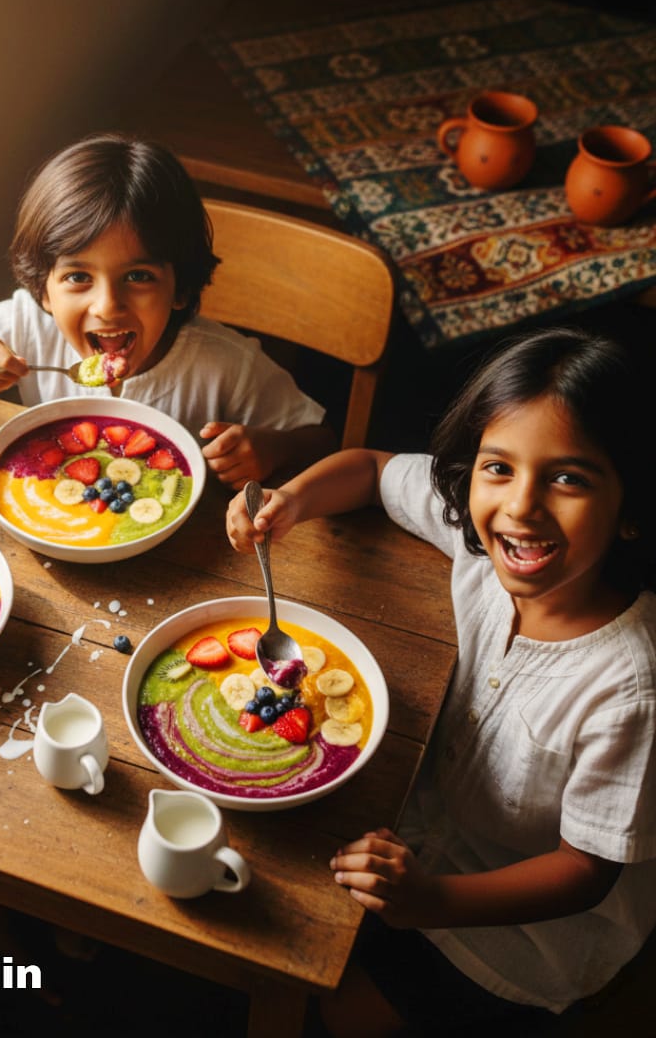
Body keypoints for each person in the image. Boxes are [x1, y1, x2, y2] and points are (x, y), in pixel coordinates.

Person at [225, 327, 656, 1035]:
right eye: (499, 467)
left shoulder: (631, 687)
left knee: (337, 1011)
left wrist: (431, 902)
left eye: (569, 478)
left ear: (632, 506)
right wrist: (290, 502)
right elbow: (370, 469)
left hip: (524, 934)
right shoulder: (478, 539)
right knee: (265, 925)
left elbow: (585, 872)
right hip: (418, 829)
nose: (521, 505)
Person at [0, 132, 334, 488]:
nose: (108, 306)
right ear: (44, 290)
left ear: (179, 286)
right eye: (78, 277)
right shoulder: (28, 326)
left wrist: (273, 450)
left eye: (138, 276)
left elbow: (322, 442)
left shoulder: (227, 365)